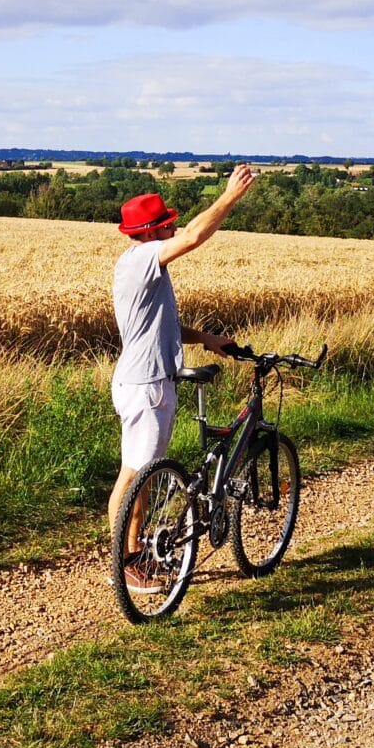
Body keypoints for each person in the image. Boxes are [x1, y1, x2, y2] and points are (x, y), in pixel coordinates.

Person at [109, 164, 257, 590]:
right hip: (147, 385)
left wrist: (205, 337)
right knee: (135, 476)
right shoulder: (141, 259)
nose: (174, 229)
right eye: (168, 224)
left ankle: (129, 554)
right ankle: (129, 560)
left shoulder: (143, 266)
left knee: (141, 471)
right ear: (153, 230)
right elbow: (194, 236)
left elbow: (161, 325)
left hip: (146, 380)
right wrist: (229, 197)